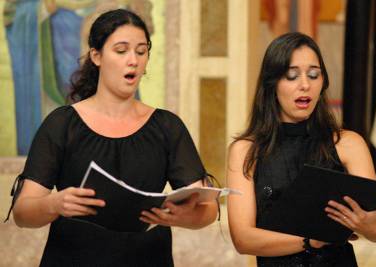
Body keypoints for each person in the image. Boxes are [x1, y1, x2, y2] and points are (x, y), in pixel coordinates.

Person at [6, 9, 218, 267]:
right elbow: (23, 213)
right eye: (121, 50)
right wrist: (54, 204)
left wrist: (184, 216)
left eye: (141, 52)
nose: (133, 61)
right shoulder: (62, 124)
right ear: (96, 56)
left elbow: (207, 209)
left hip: (149, 259)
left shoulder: (167, 126)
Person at [227, 32, 376, 266]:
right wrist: (310, 241)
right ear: (272, 83)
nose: (305, 85)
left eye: (314, 75)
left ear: (323, 82)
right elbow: (243, 239)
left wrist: (369, 225)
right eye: (292, 76)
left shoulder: (348, 143)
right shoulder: (246, 150)